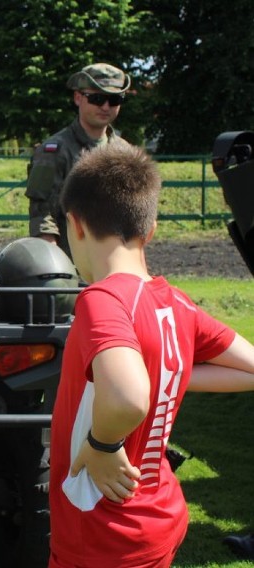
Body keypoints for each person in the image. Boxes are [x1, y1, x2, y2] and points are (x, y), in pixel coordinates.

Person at [48, 143, 254, 567]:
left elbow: (127, 398)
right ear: (152, 228)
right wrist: (170, 372)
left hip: (104, 534)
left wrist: (103, 444)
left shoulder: (101, 300)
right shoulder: (176, 302)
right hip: (158, 516)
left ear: (75, 225)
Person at [25, 62, 131, 257]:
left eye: (114, 100)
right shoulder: (55, 150)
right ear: (78, 98)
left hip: (115, 260)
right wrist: (52, 262)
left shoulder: (126, 153)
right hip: (71, 262)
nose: (105, 106)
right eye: (97, 98)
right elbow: (42, 212)